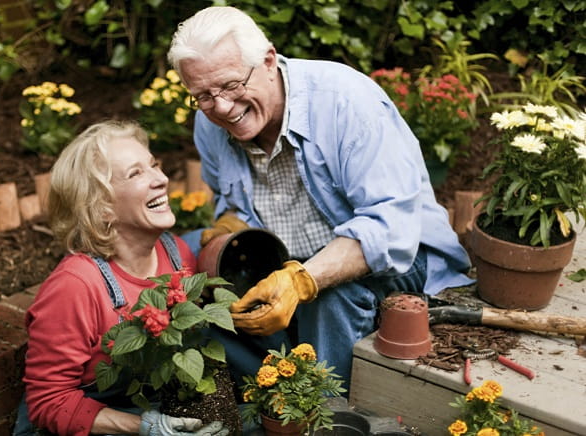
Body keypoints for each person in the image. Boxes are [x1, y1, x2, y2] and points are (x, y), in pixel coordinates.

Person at [167, 6, 474, 391]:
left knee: (328, 300)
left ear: (268, 60)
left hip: (401, 257)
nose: (223, 108)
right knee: (192, 261)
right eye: (204, 95)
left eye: (230, 86)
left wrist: (302, 280)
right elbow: (231, 205)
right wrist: (230, 224)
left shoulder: (347, 103)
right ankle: (272, 395)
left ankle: (326, 411)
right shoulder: (209, 123)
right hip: (287, 257)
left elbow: (391, 229)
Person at [15, 120, 227, 435]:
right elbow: (49, 402)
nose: (162, 179)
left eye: (154, 165)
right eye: (136, 173)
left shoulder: (176, 253)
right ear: (102, 209)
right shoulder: (75, 286)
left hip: (147, 407)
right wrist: (145, 427)